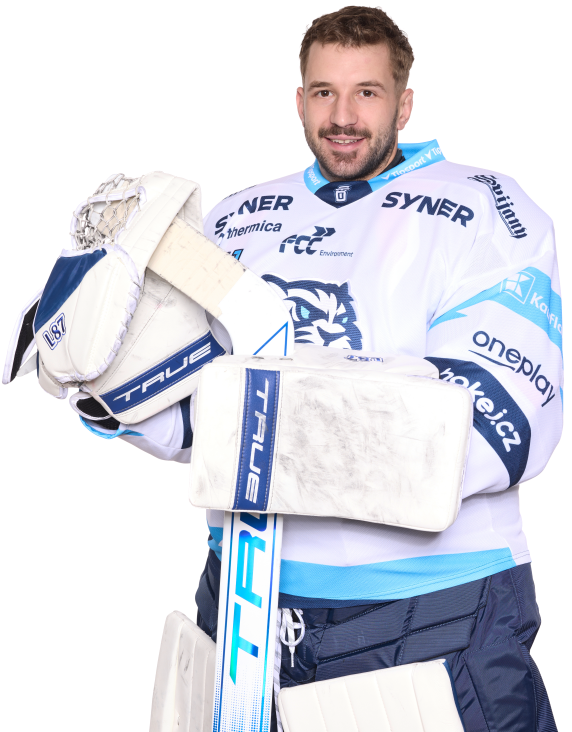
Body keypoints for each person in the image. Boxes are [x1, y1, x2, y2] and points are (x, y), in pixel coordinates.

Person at [77, 6, 561, 730]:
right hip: (245, 612)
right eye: (324, 92)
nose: (342, 117)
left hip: (433, 614)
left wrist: (249, 420)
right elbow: (184, 422)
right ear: (299, 100)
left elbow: (487, 433)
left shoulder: (486, 209)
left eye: (367, 92)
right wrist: (107, 383)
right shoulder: (236, 220)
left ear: (404, 104)